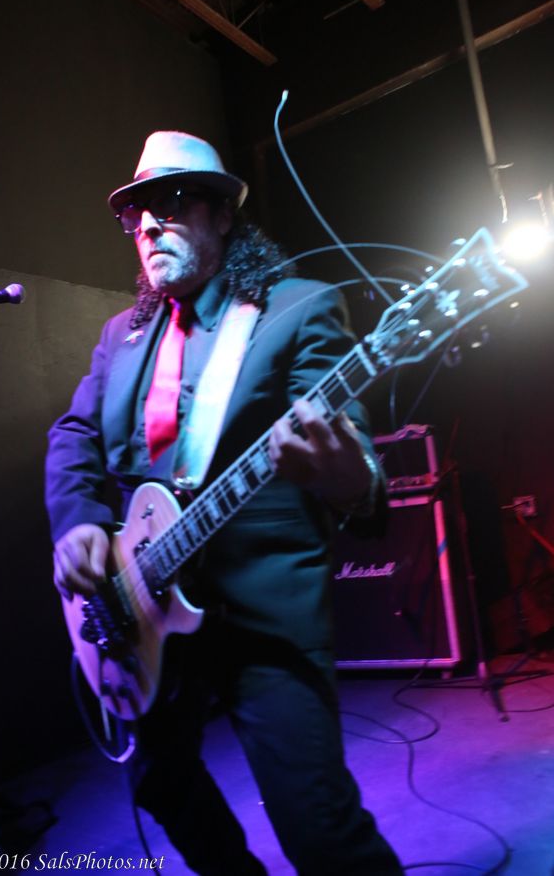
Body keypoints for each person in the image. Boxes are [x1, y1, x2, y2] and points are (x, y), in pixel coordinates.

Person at [45, 131, 403, 875]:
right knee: (161, 783)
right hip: (141, 608)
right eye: (136, 213)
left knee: (317, 825)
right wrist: (78, 522)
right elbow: (74, 433)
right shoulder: (121, 336)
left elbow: (354, 457)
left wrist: (345, 472)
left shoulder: (297, 308)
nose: (149, 225)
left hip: (262, 618)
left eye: (172, 203)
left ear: (223, 215)